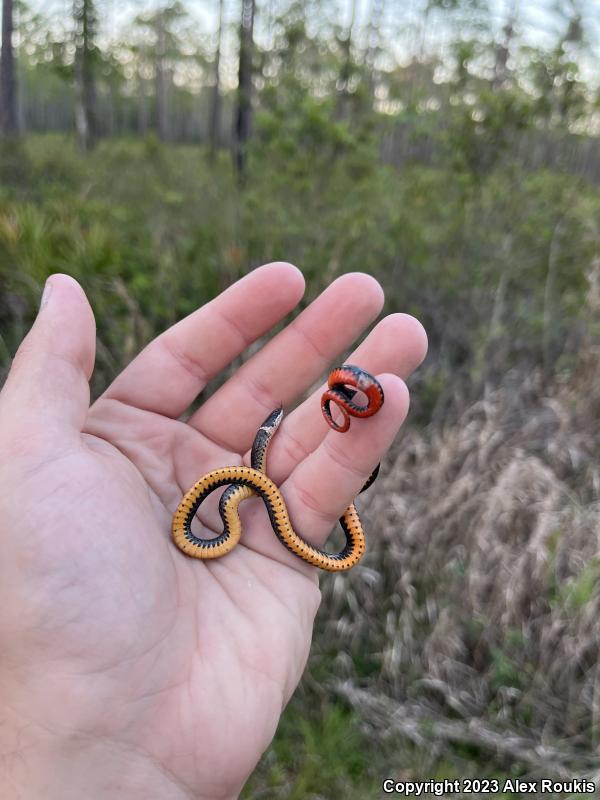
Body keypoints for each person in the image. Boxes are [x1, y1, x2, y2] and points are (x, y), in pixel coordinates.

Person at [0, 263, 427, 799]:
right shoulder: (238, 488)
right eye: (270, 427)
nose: (269, 428)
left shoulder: (250, 482)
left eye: (266, 427)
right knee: (260, 491)